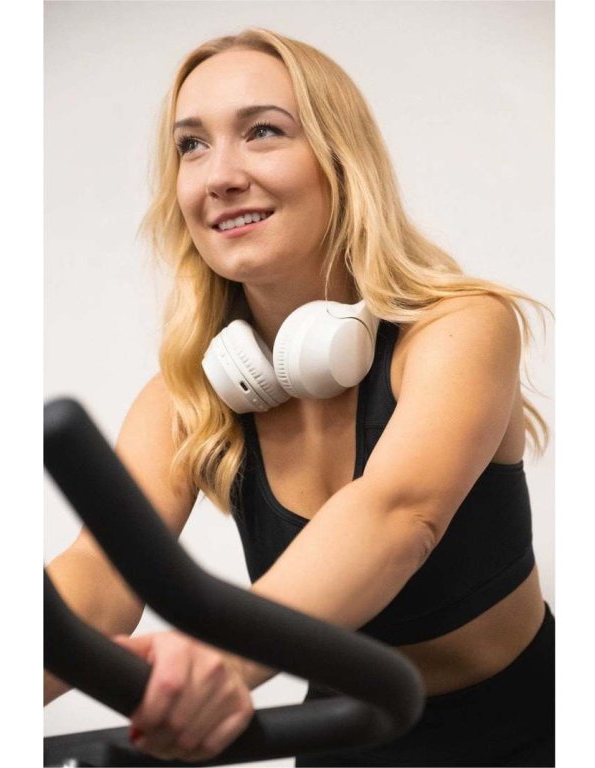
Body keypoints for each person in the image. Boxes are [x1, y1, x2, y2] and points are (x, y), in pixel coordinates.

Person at [45, 28, 554, 767]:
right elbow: (100, 578)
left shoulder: (458, 328)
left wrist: (216, 661)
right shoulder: (185, 398)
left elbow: (395, 516)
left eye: (262, 131)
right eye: (192, 146)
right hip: (345, 732)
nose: (220, 176)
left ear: (341, 161)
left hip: (528, 730)